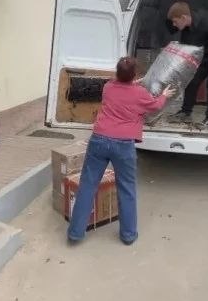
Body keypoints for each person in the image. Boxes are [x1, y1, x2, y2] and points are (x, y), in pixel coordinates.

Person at [67, 57, 174, 245]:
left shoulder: (108, 87)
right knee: (126, 189)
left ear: (117, 73)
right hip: (123, 145)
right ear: (134, 75)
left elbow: (122, 88)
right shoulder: (140, 93)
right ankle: (128, 235)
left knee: (87, 185)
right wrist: (164, 94)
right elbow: (155, 105)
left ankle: (75, 233)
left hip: (99, 140)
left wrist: (131, 82)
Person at [165, 1, 208, 129]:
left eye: (175, 21)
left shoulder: (207, 21)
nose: (173, 25)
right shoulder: (185, 27)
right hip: (202, 53)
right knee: (191, 80)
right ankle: (185, 113)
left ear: (183, 18)